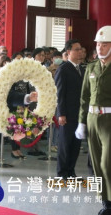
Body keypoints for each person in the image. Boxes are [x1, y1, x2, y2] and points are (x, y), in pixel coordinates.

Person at [75, 25, 111, 215]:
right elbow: (84, 98)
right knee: (96, 163)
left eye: (105, 45)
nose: (100, 48)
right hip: (92, 119)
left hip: (110, 120)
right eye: (98, 45)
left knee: (107, 162)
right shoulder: (91, 67)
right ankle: (106, 202)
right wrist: (82, 121)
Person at [54, 39, 84, 180]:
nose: (80, 52)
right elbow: (59, 94)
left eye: (80, 49)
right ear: (68, 52)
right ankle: (62, 173)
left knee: (75, 144)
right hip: (67, 114)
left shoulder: (82, 68)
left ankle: (71, 171)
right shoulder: (63, 69)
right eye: (76, 49)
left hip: (79, 113)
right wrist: (61, 113)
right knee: (65, 145)